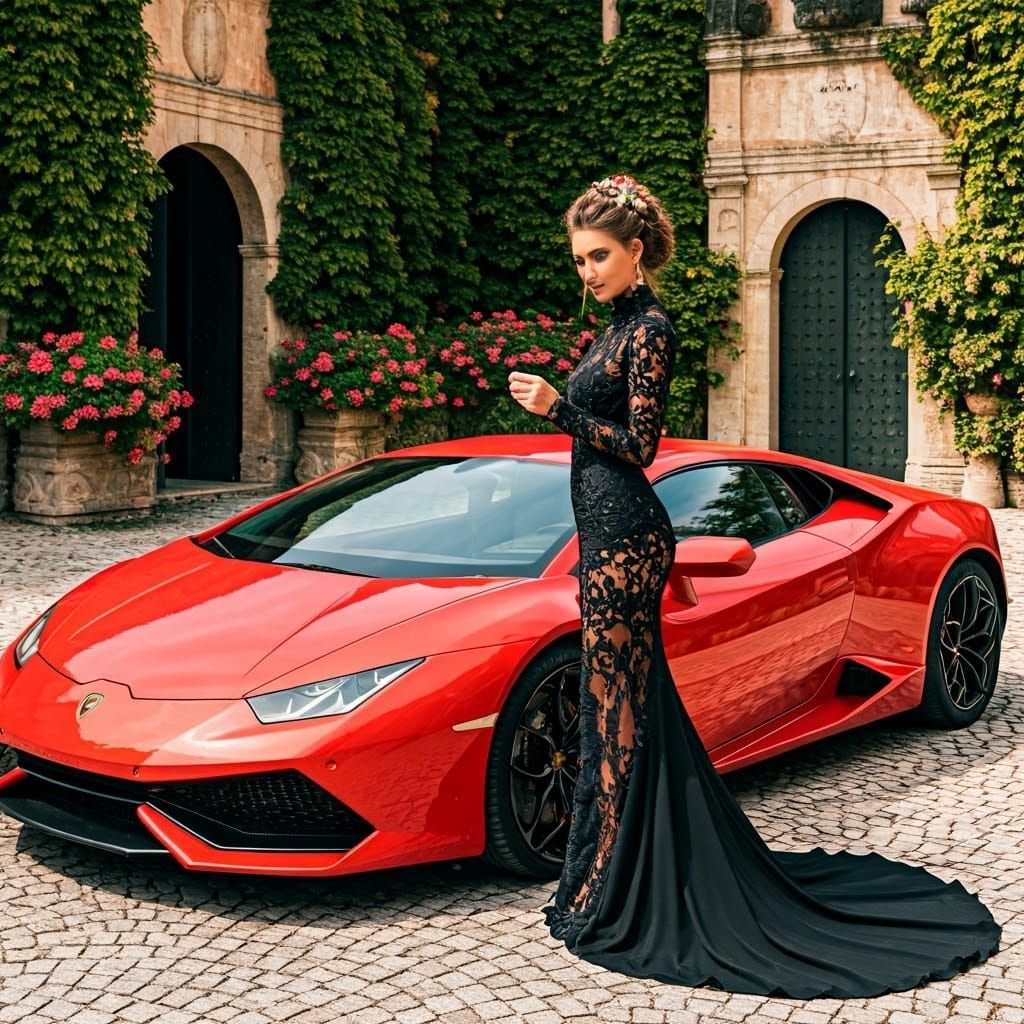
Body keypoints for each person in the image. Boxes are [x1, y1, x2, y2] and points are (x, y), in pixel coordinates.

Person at [506, 175, 1001, 998]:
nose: (586, 271)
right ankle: (604, 873)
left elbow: (637, 446)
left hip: (627, 534)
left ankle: (617, 884)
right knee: (615, 705)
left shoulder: (652, 330)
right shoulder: (610, 329)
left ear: (636, 252)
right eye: (579, 260)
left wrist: (558, 406)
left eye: (598, 256)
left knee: (617, 704)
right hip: (599, 536)